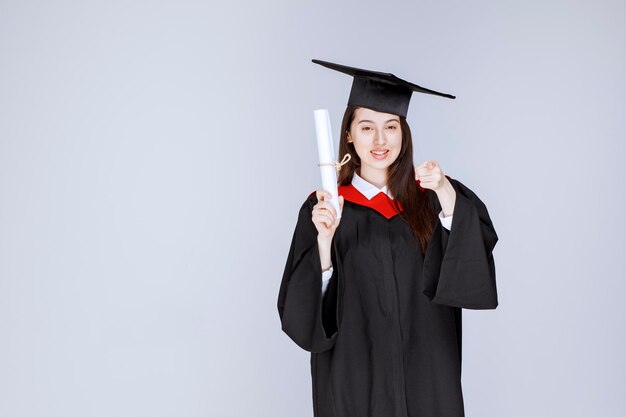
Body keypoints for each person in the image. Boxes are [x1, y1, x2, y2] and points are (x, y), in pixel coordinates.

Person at [277, 59, 499, 417]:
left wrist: (444, 191)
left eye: (390, 127)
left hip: (426, 370)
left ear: (403, 134)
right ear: (349, 134)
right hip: (354, 374)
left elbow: (470, 263)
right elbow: (302, 314)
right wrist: (324, 243)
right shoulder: (325, 208)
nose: (380, 141)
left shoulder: (432, 199)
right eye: (367, 127)